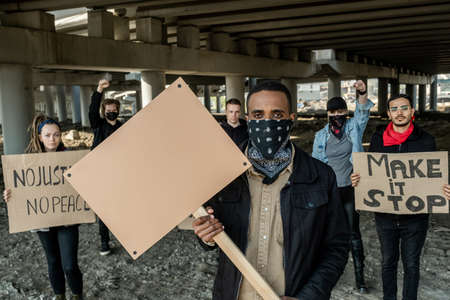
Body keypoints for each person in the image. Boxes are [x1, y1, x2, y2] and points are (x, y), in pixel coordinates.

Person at [193, 81, 350, 300]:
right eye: (258, 115)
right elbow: (211, 227)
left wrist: (309, 296)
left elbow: (337, 247)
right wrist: (206, 237)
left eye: (277, 115)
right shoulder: (224, 175)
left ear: (291, 119)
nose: (267, 123)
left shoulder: (321, 176)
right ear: (247, 120)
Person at [351, 94, 450, 300]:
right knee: (388, 262)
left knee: (411, 265)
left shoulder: (426, 141)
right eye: (394, 109)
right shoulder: (378, 140)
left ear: (412, 111)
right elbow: (373, 173)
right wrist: (360, 180)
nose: (399, 113)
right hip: (385, 216)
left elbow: (434, 175)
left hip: (416, 217)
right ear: (388, 114)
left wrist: (444, 188)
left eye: (404, 108)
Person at [3, 114, 83, 300]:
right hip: (43, 221)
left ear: (61, 135)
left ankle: (78, 295)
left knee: (70, 265)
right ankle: (59, 296)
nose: (52, 139)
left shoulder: (71, 158)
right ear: (40, 137)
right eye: (47, 135)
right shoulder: (29, 162)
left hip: (67, 220)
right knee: (53, 261)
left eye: (56, 134)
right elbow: (21, 189)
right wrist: (11, 196)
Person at [312, 80, 374, 293]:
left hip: (349, 189)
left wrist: (362, 93)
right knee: (326, 234)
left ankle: (360, 279)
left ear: (345, 113)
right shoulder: (320, 137)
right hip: (329, 192)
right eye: (333, 112)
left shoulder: (353, 128)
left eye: (340, 111)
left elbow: (363, 112)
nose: (337, 115)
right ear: (327, 114)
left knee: (353, 234)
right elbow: (316, 165)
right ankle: (325, 275)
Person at [89, 79, 122, 256]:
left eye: (113, 110)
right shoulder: (98, 126)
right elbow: (92, 110)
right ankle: (104, 241)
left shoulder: (123, 128)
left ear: (117, 111)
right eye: (108, 111)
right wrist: (99, 89)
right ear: (104, 112)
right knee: (103, 209)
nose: (110, 112)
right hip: (100, 173)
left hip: (118, 173)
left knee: (119, 205)